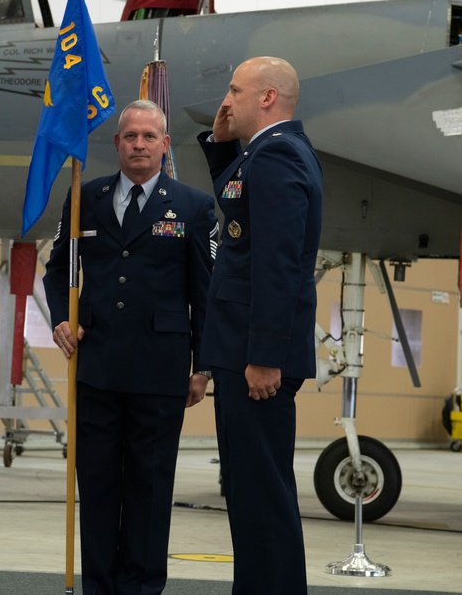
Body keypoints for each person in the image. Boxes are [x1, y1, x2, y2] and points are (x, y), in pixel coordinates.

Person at [43, 99, 217, 595]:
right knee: (96, 487)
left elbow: (205, 293)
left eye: (148, 136)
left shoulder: (192, 206)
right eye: (130, 136)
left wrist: (203, 368)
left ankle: (140, 588)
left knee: (149, 488)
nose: (139, 144)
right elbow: (58, 270)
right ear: (116, 143)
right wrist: (60, 317)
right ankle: (98, 585)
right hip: (95, 367)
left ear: (165, 144)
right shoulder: (84, 199)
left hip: (160, 374)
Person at [195, 56, 323, 594]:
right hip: (245, 350)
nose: (227, 100)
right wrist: (222, 146)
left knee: (262, 497)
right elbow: (241, 214)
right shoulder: (268, 153)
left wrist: (265, 354)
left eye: (236, 90)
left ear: (267, 97)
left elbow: (277, 261)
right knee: (250, 495)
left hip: (256, 357)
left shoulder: (277, 157)